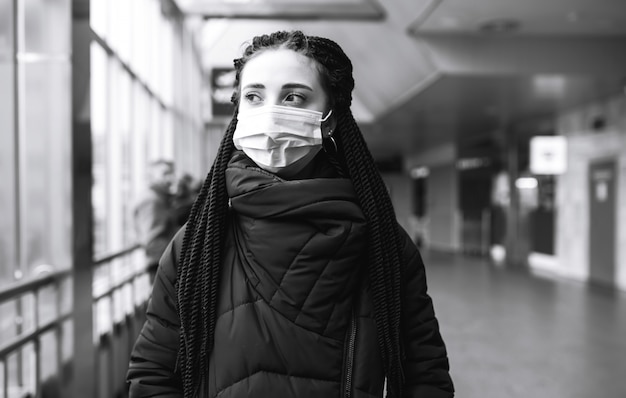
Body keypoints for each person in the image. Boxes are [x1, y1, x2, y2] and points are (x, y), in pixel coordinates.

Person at [127, 30, 454, 398]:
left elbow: (425, 376)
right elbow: (154, 373)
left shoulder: (383, 246)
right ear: (238, 113)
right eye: (253, 96)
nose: (270, 112)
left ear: (329, 118)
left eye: (294, 96)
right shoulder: (197, 246)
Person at [133, 159, 179, 284]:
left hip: (165, 264)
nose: (170, 178)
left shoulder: (161, 198)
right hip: (162, 266)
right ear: (151, 177)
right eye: (165, 174)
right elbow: (153, 241)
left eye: (171, 173)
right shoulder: (152, 200)